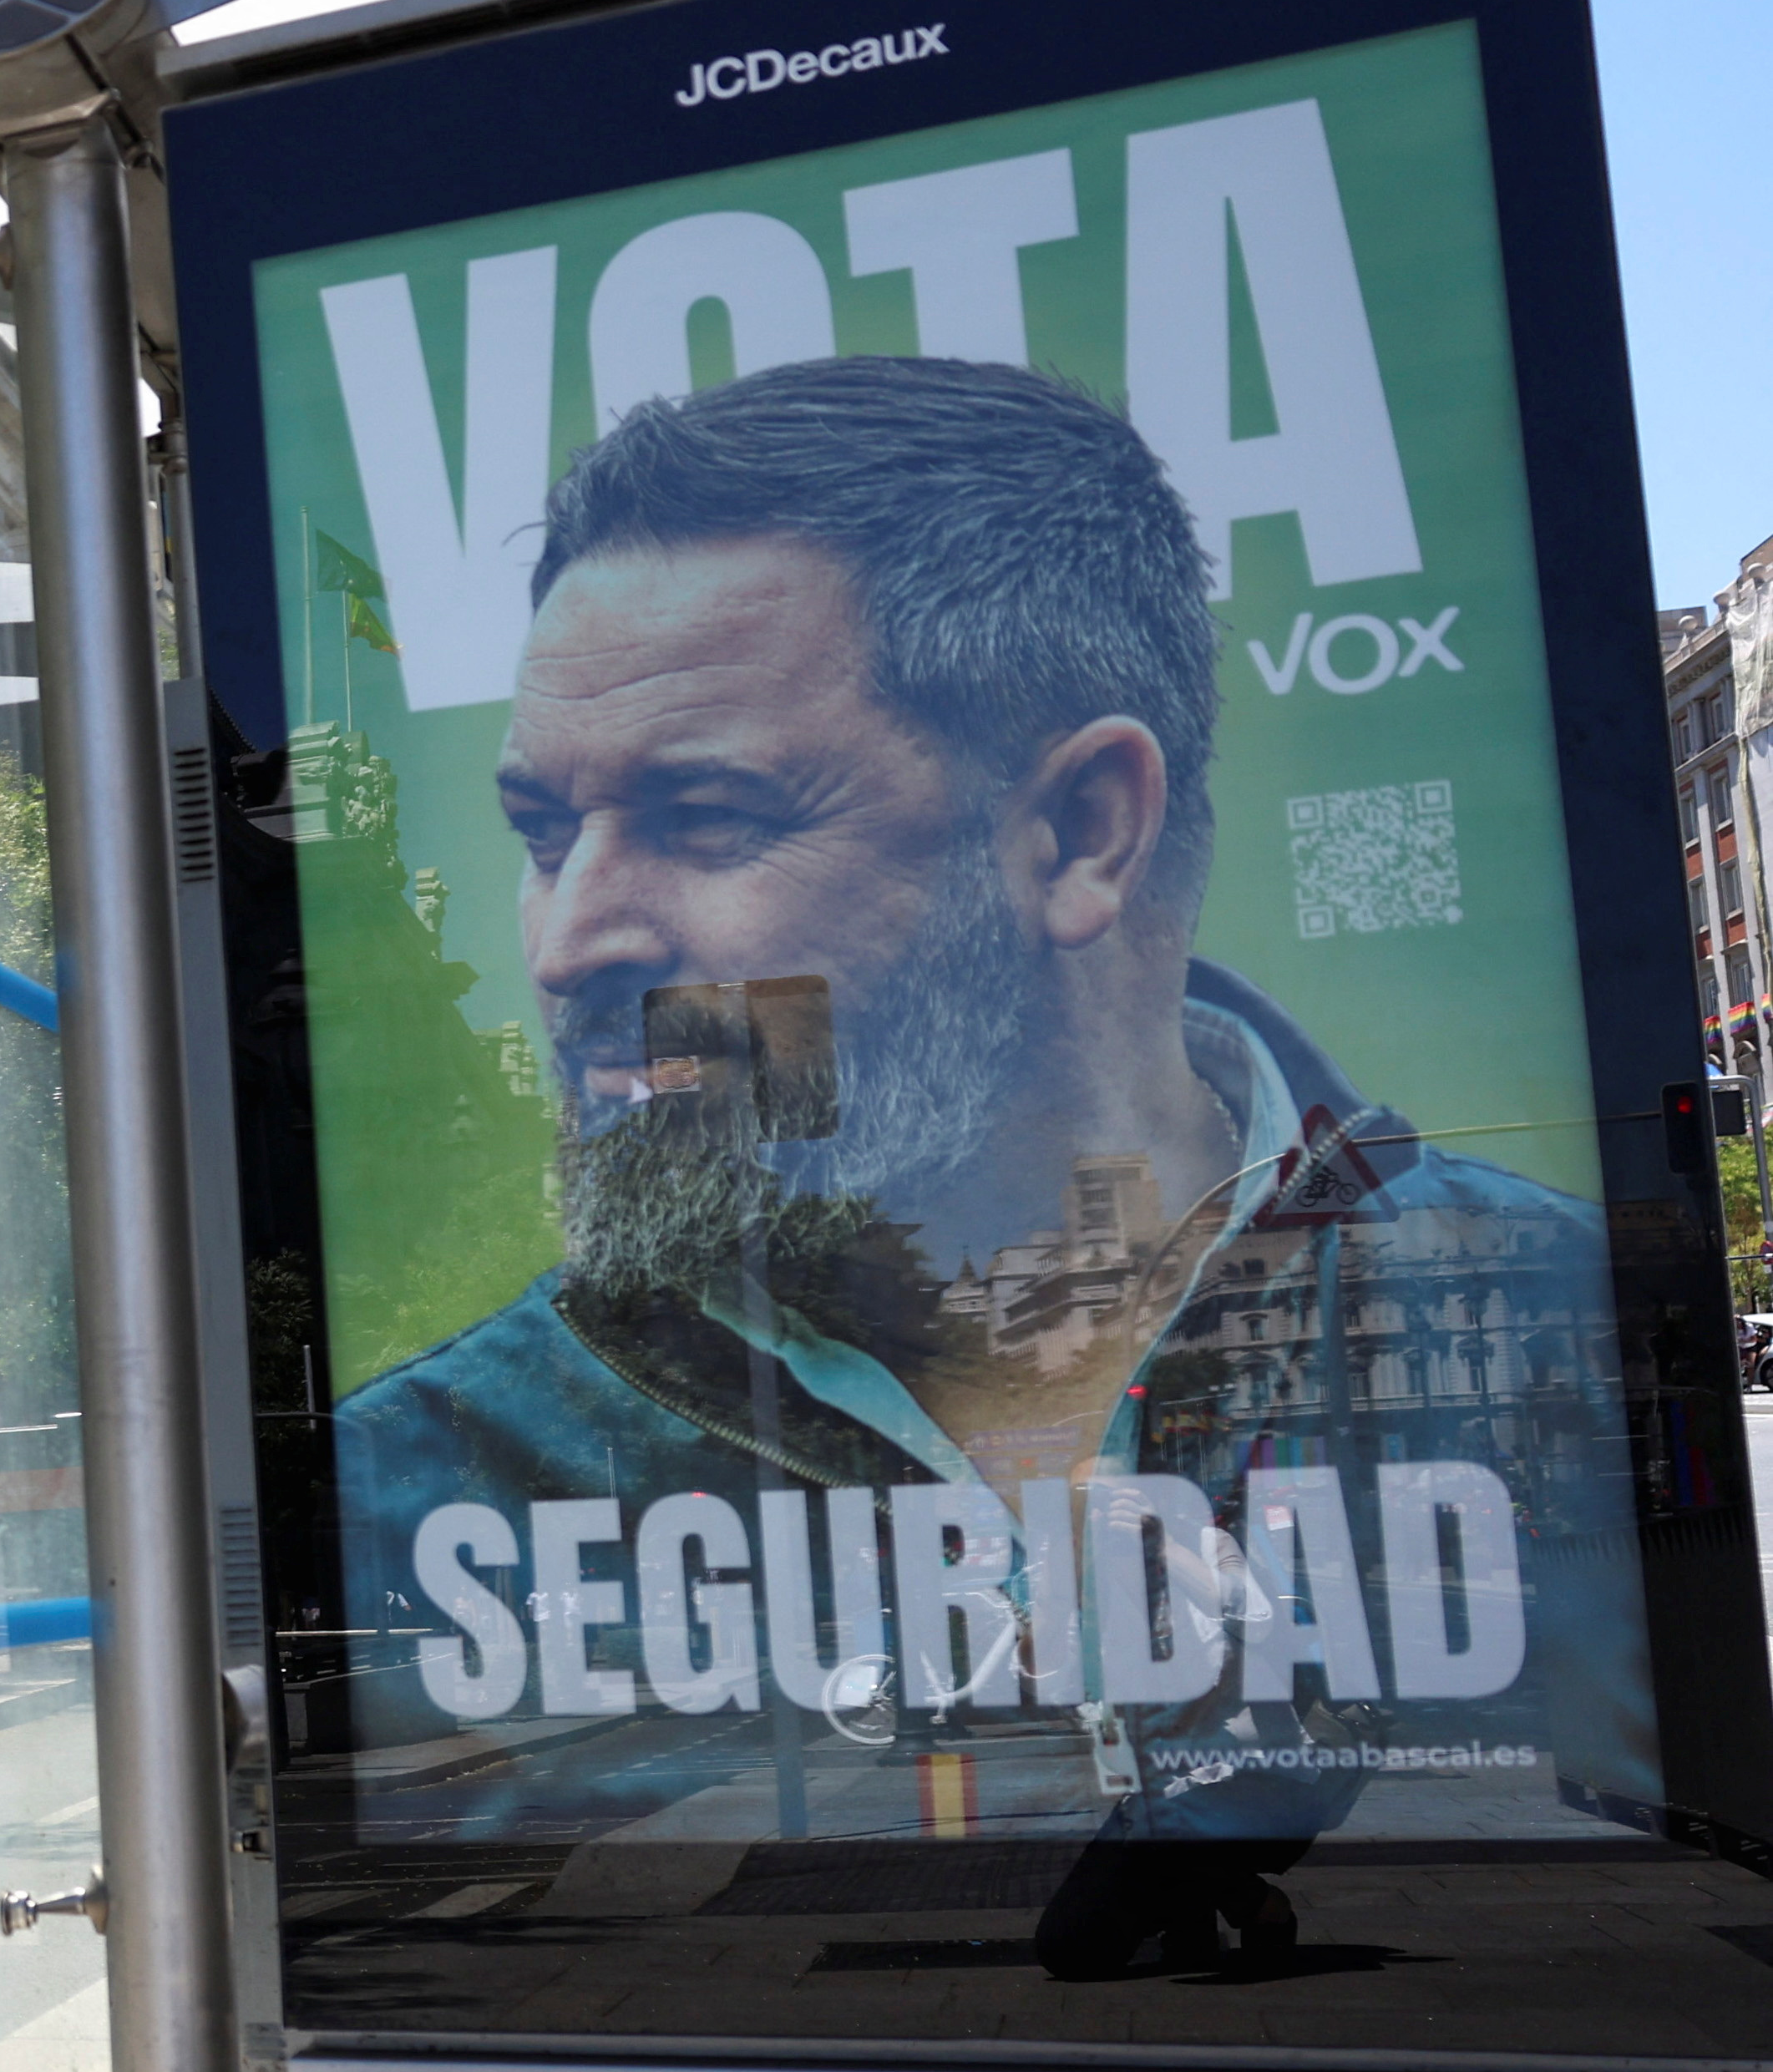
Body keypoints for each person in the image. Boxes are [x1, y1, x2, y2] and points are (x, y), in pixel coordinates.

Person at [317, 357, 1634, 1967]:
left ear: (1083, 831)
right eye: (543, 832)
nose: (571, 934)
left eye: (707, 815)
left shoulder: (1559, 1316)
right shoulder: (425, 1471)